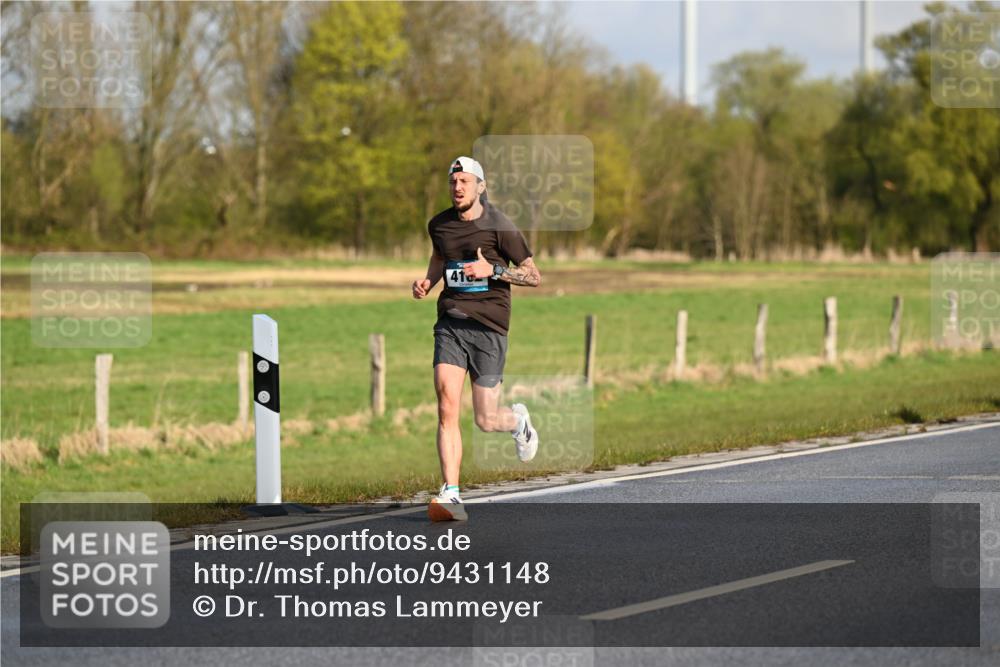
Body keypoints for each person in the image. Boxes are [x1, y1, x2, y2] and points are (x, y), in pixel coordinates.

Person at [411, 156, 542, 521]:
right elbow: (440, 257)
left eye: (465, 182)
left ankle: (518, 423)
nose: (457, 188)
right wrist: (427, 281)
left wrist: (494, 270)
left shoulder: (500, 226)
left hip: (489, 326)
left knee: (485, 419)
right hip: (451, 321)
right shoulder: (439, 224)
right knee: (446, 402)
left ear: (480, 187)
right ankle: (451, 493)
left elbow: (533, 276)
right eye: (454, 182)